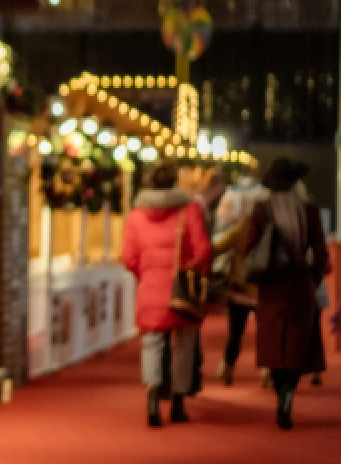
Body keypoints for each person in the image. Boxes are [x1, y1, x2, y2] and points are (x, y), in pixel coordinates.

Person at [122, 159, 212, 427]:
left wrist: (146, 275)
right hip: (181, 289)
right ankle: (178, 403)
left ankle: (152, 399)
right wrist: (193, 270)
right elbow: (203, 250)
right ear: (174, 182)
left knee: (152, 345)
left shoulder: (136, 216)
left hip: (150, 289)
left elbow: (128, 257)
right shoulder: (189, 210)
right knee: (184, 346)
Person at [245, 158, 330, 430]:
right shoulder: (309, 210)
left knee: (273, 345)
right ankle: (288, 396)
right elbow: (320, 253)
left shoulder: (262, 210)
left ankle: (279, 393)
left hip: (271, 287)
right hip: (300, 286)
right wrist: (313, 278)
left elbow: (250, 248)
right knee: (296, 345)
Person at [212, 173, 268, 385]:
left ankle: (227, 368)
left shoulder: (242, 228)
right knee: (265, 333)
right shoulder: (271, 229)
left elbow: (219, 246)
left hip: (240, 288)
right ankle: (268, 371)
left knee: (235, 332)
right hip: (264, 289)